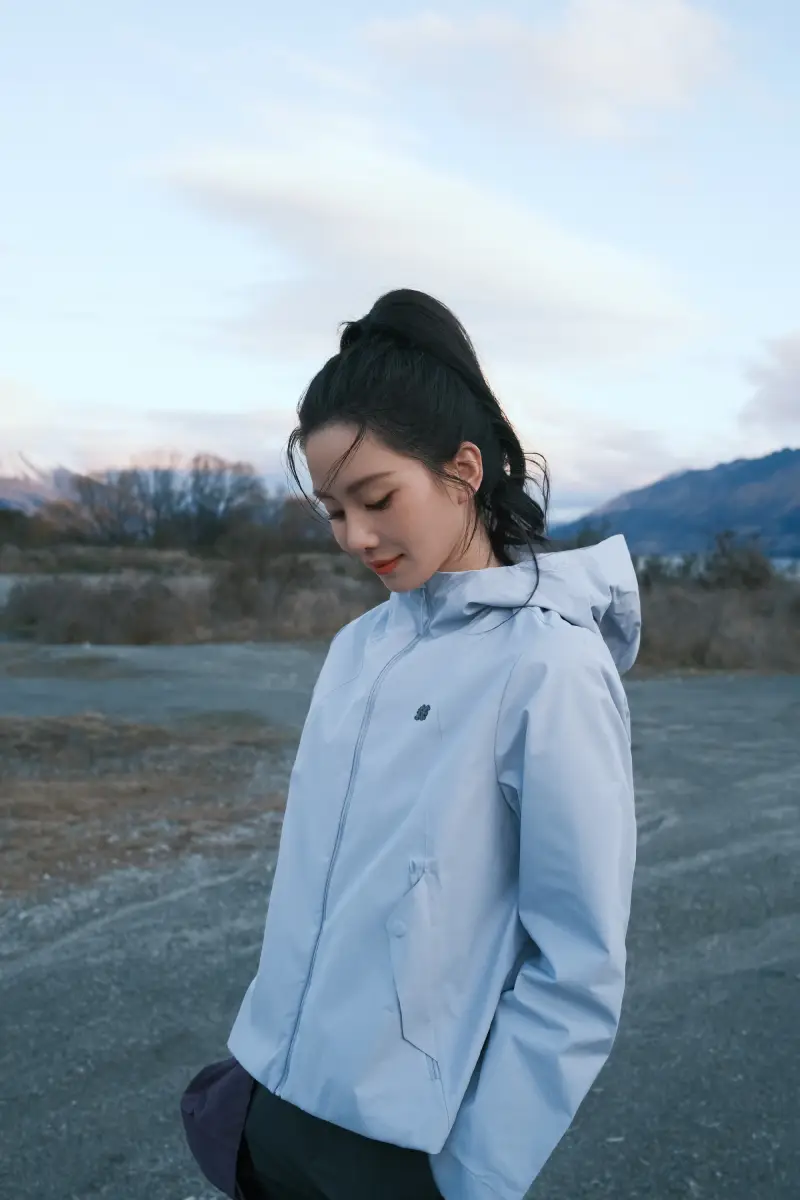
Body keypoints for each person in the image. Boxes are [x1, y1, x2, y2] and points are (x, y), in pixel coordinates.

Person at [193, 288, 640, 1200]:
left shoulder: (549, 666)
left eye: (377, 497)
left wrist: (471, 1178)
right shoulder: (357, 649)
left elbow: (578, 967)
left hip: (401, 1156)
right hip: (276, 1112)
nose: (355, 537)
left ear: (463, 469)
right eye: (332, 510)